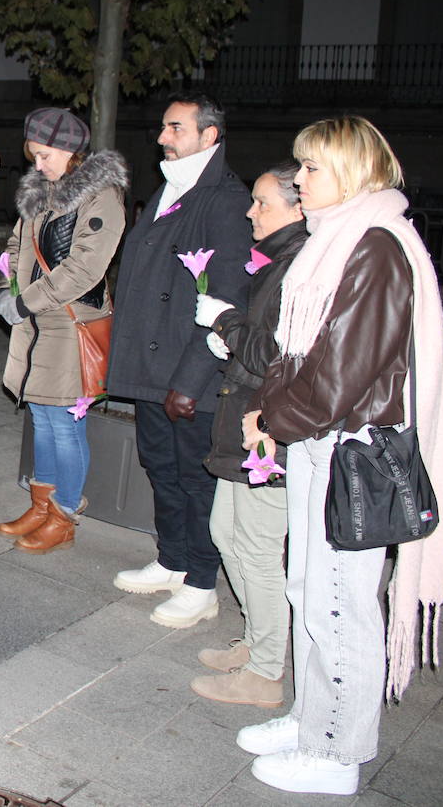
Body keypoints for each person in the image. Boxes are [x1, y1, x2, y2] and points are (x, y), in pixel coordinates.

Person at [235, 118, 443, 797]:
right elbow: (300, 349)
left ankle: (337, 752)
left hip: (351, 446)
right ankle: (313, 717)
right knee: (310, 588)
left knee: (340, 602)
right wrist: (275, 411)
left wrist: (274, 415)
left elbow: (343, 374)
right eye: (299, 168)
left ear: (356, 173)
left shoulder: (377, 247)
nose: (298, 182)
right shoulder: (340, 240)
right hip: (321, 438)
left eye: (312, 169)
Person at [109, 91, 250, 628]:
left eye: (175, 128)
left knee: (196, 478)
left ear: (208, 135)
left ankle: (201, 581)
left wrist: (193, 378)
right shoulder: (172, 187)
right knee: (160, 466)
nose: (162, 138)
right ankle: (171, 559)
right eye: (163, 127)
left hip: (190, 368)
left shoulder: (226, 201)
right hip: (151, 362)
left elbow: (228, 297)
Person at [187, 160, 306, 708]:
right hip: (246, 420)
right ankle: (259, 640)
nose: (250, 211)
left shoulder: (298, 264)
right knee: (226, 532)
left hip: (268, 427)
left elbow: (275, 353)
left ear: (296, 206)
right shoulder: (279, 260)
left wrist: (225, 322)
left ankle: (265, 671)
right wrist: (231, 330)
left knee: (257, 548)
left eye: (262, 202)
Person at [0, 108, 126, 550]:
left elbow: (86, 267)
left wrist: (24, 301)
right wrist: (7, 286)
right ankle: (41, 504)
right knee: (42, 417)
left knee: (65, 424)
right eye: (34, 155)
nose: (38, 165)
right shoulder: (42, 191)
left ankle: (64, 514)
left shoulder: (99, 194)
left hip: (71, 323)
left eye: (45, 155)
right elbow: (16, 243)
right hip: (37, 323)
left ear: (71, 151)